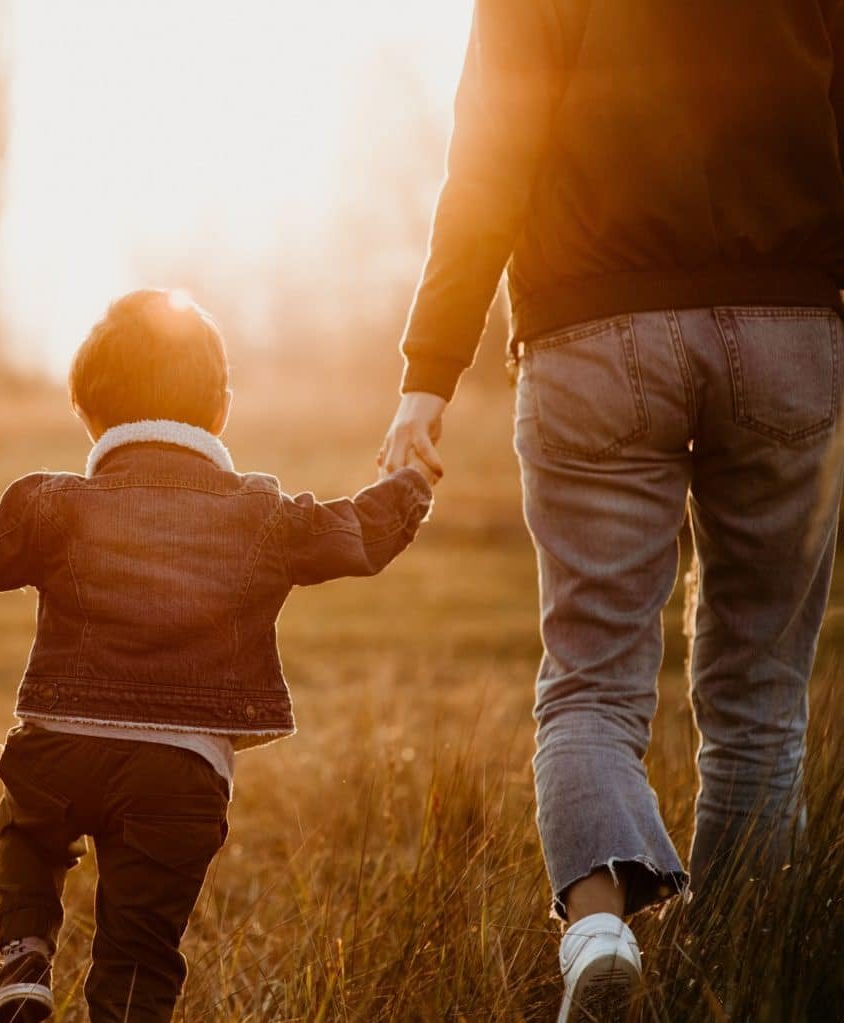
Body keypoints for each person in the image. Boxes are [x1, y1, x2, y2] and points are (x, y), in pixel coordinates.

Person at [378, 2, 844, 1020]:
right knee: (762, 700)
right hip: (790, 325)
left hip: (595, 330)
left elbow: (490, 153)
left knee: (591, 684)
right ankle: (742, 978)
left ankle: (597, 933)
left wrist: (430, 370)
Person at [0, 289, 434, 1023]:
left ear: (88, 415)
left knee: (28, 828)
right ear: (221, 413)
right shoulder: (264, 516)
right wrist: (410, 478)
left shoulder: (54, 505)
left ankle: (23, 958)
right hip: (179, 776)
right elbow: (358, 533)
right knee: (139, 959)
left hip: (61, 746)